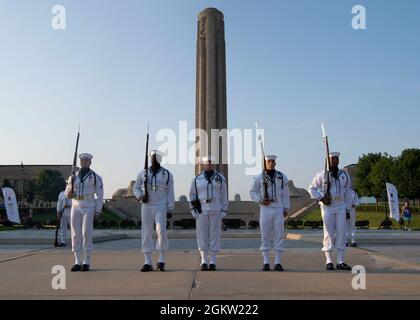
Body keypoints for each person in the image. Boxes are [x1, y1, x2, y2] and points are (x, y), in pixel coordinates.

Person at [308, 152, 353, 271]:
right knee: (328, 233)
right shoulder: (322, 174)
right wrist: (321, 198)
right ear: (328, 160)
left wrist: (348, 208)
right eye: (332, 158)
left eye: (336, 158)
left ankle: (341, 261)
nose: (335, 160)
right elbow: (311, 189)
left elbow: (348, 193)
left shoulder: (344, 175)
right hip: (328, 206)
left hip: (341, 206)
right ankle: (328, 260)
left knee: (342, 233)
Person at [133, 150, 175, 272]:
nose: (154, 159)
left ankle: (161, 259)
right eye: (152, 157)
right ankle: (147, 261)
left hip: (161, 204)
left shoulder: (167, 174)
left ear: (160, 159)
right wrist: (140, 196)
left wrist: (170, 208)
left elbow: (170, 192)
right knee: (146, 231)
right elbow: (136, 188)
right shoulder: (143, 173)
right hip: (147, 205)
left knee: (161, 230)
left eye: (156, 158)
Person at [250, 155, 290, 271]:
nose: (271, 163)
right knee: (265, 235)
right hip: (265, 208)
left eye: (273, 161)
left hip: (278, 207)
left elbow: (286, 193)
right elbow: (253, 192)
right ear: (265, 163)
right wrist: (260, 200)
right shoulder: (259, 178)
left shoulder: (281, 177)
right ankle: (266, 261)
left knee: (279, 234)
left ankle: (278, 261)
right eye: (269, 161)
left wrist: (286, 208)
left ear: (275, 163)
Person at [65, 153, 104, 272]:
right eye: (82, 160)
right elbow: (67, 191)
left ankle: (87, 260)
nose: (84, 162)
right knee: (75, 234)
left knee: (86, 233)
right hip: (76, 205)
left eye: (86, 160)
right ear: (80, 162)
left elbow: (100, 194)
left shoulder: (96, 177)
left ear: (90, 162)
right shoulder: (73, 177)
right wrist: (69, 194)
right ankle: (77, 260)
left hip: (89, 205)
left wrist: (98, 209)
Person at [189, 156, 228, 271]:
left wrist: (224, 210)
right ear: (203, 164)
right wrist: (193, 209)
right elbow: (192, 195)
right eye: (207, 163)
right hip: (202, 208)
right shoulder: (197, 179)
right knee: (202, 235)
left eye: (211, 163)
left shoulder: (220, 178)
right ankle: (204, 261)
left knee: (214, 235)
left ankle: (213, 261)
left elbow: (224, 195)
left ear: (213, 164)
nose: (209, 165)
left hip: (216, 207)